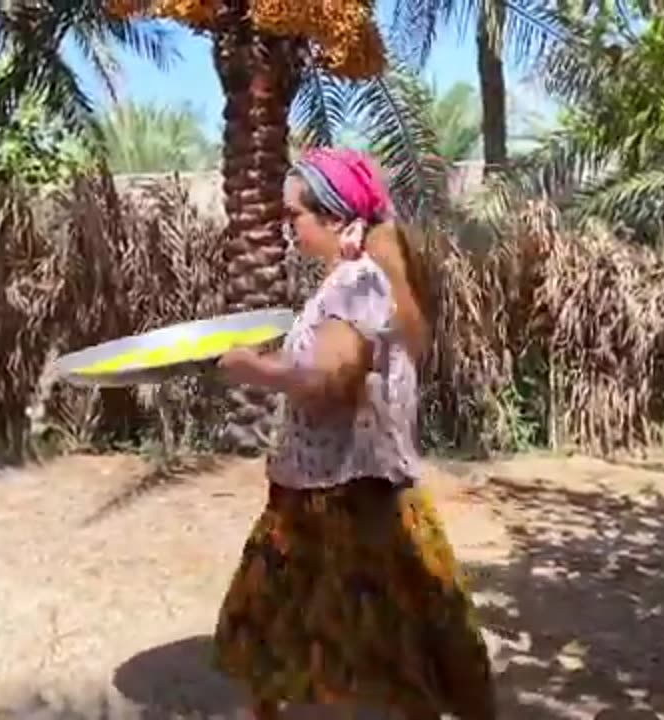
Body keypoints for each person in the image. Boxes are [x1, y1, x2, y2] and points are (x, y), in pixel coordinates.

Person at [213, 148, 496, 720]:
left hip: (344, 496)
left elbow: (333, 382)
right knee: (314, 623)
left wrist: (254, 370)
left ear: (336, 218)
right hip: (322, 484)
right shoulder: (353, 280)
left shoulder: (357, 282)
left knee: (376, 637)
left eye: (294, 215)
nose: (286, 227)